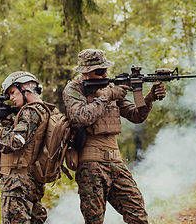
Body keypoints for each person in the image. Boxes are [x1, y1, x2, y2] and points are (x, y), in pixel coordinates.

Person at [62, 49, 166, 224]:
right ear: (85, 72)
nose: (106, 74)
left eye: (105, 70)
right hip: (90, 165)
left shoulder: (110, 87)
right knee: (94, 220)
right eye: (100, 71)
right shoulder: (74, 89)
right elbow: (81, 117)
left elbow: (136, 115)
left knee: (137, 214)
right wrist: (108, 96)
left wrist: (149, 98)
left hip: (116, 161)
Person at [0, 71, 53, 224]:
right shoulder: (44, 109)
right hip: (30, 182)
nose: (10, 98)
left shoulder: (31, 112)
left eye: (12, 92)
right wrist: (5, 125)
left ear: (25, 87)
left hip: (17, 185)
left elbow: (14, 142)